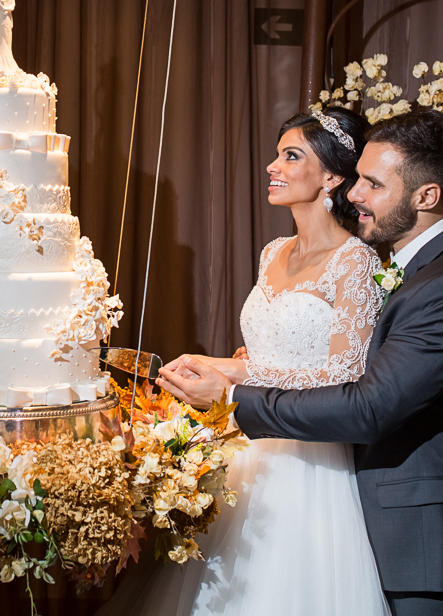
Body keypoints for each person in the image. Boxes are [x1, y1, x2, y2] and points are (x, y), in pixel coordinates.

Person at [159, 109, 443, 616]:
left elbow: (369, 406)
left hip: (431, 543)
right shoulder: (419, 270)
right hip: (379, 514)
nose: (355, 193)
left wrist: (232, 394)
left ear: (426, 196)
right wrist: (249, 365)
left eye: (373, 184)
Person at [102, 106, 391, 616]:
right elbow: (270, 353)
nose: (273, 167)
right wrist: (210, 362)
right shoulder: (273, 252)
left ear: (331, 177)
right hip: (244, 446)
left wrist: (235, 372)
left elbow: (345, 374)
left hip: (309, 458)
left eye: (291, 156)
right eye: (277, 155)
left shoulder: (356, 261)